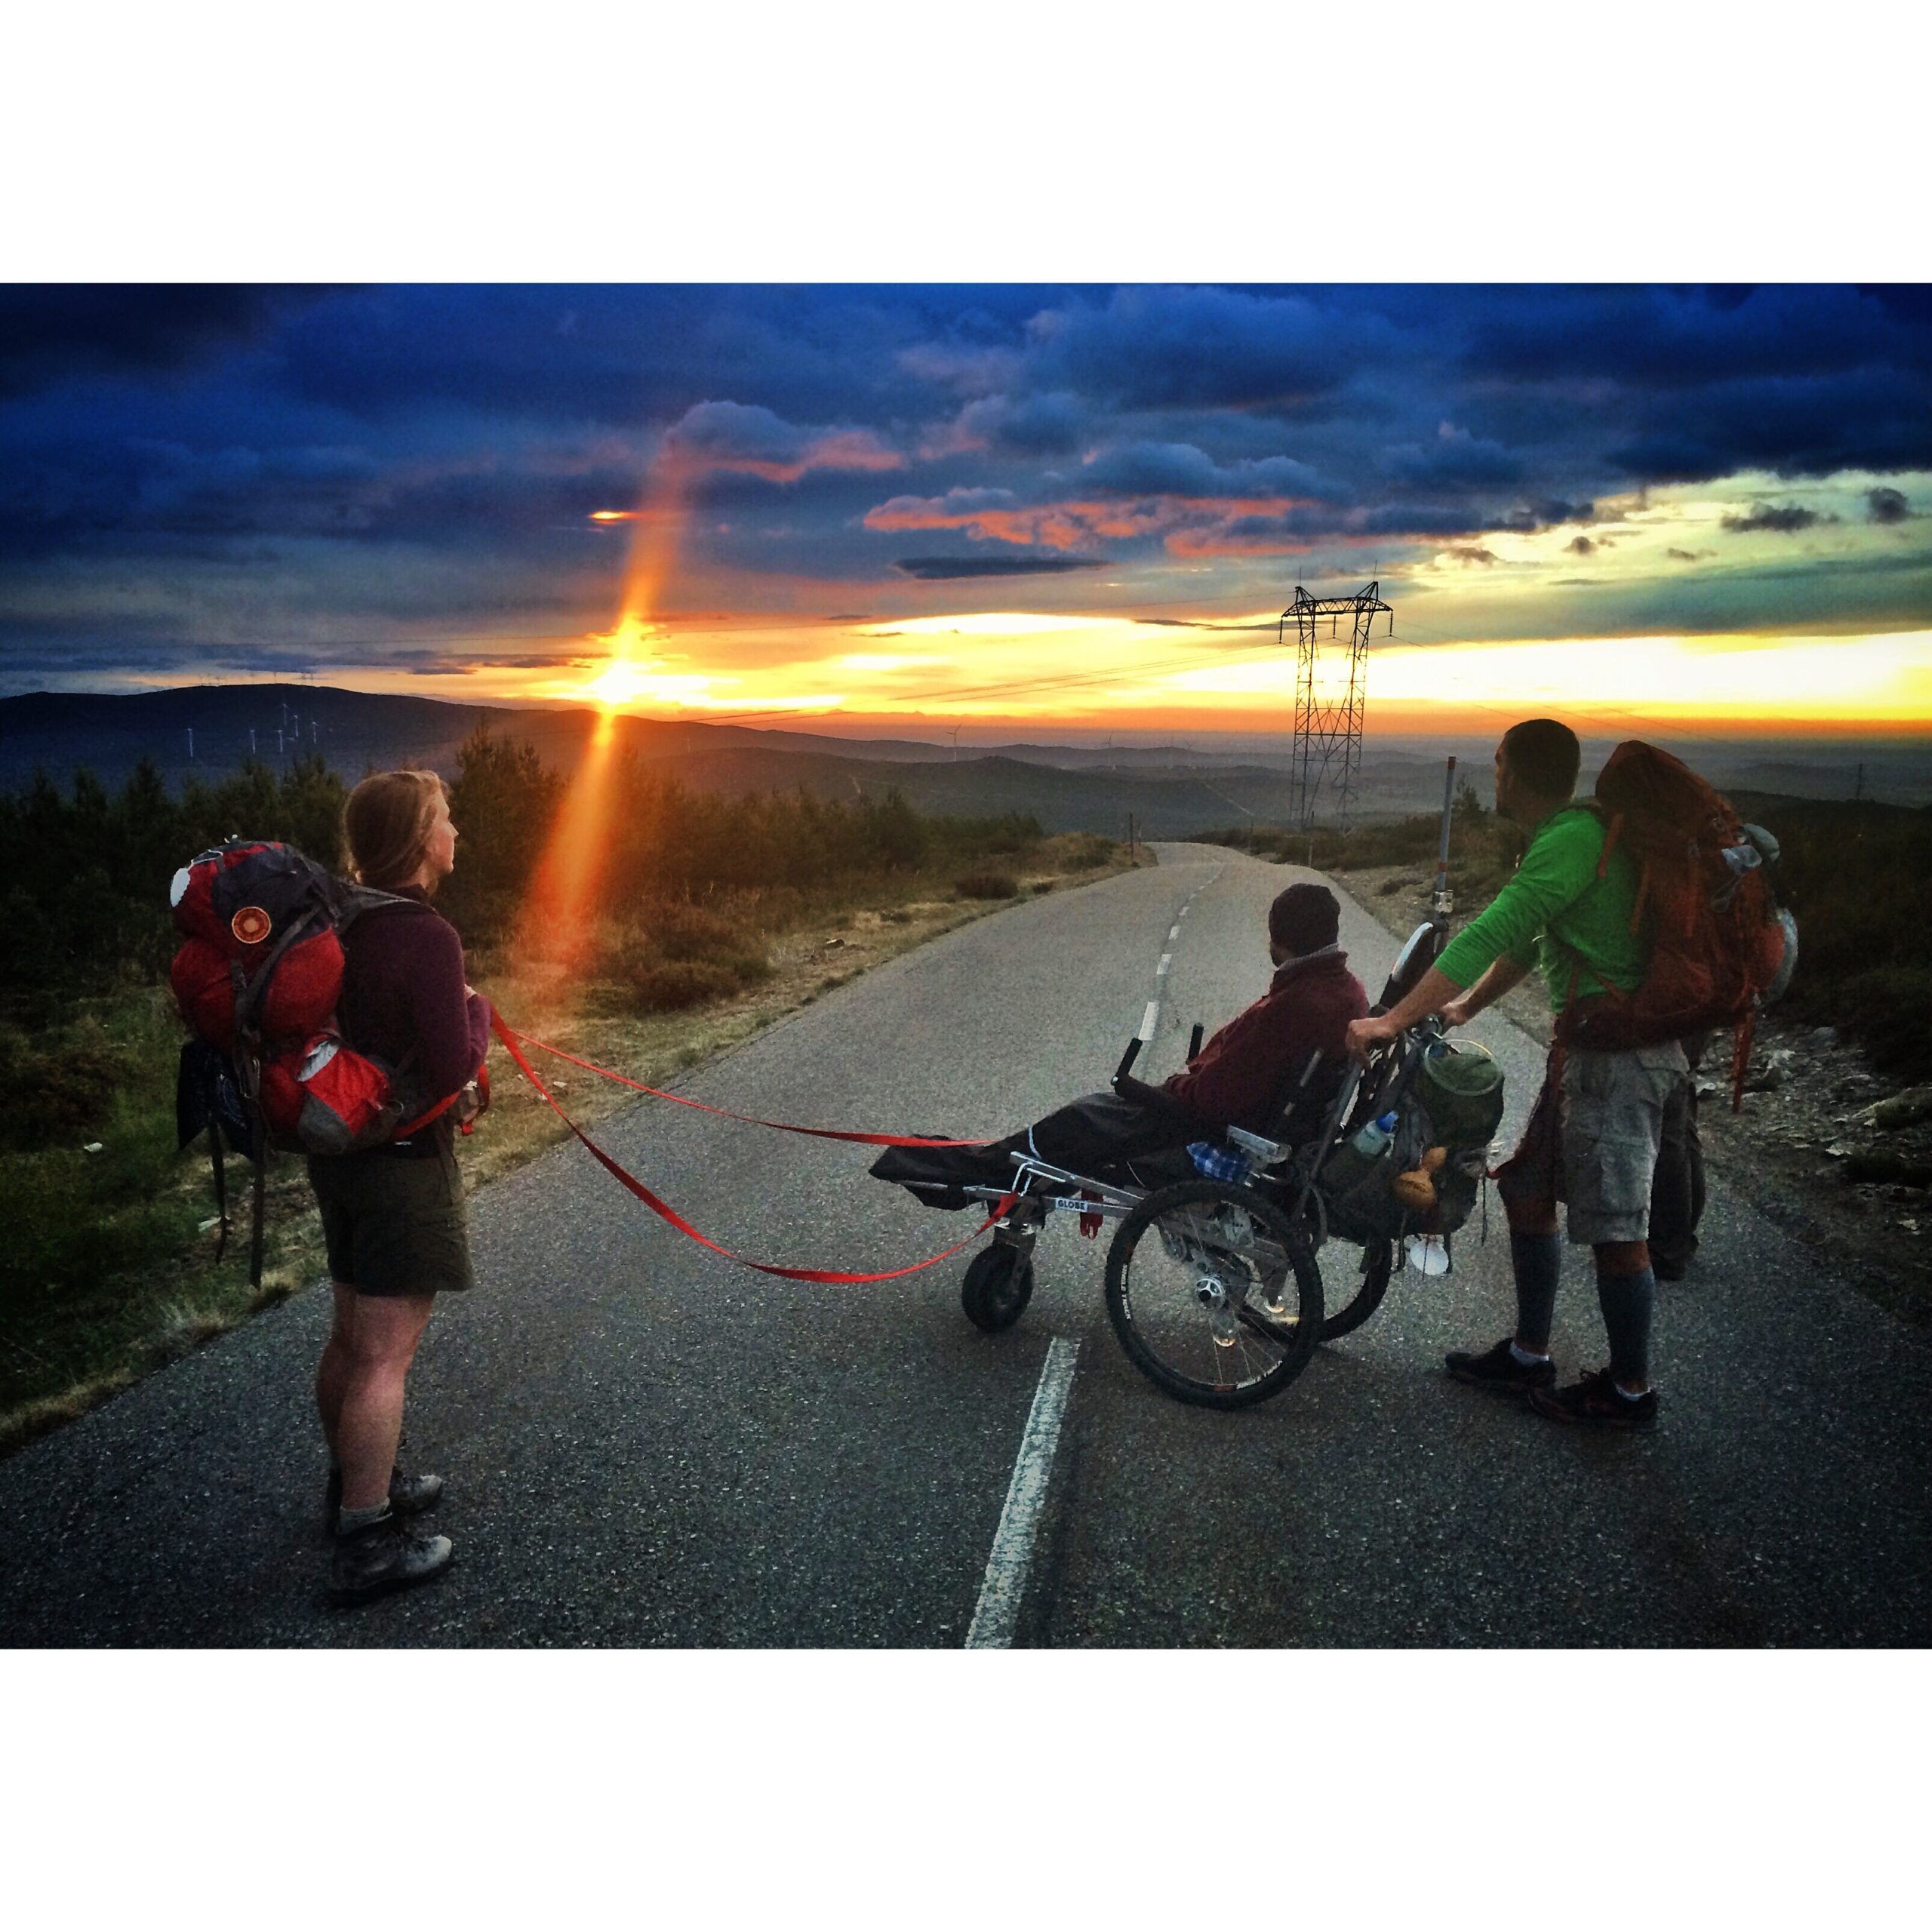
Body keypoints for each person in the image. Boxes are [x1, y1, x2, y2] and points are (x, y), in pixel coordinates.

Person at [1346, 718, 1687, 1427]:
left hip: (1621, 1061)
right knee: (1528, 1192)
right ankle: (1530, 1354)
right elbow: (1535, 940)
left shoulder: (1570, 841)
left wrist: (1393, 1020)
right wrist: (1470, 1006)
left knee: (1619, 1229)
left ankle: (1630, 1394)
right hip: (1584, 1051)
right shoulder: (1568, 842)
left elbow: (1491, 931)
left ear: (1523, 775)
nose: (1492, 777)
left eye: (1499, 766)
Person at [872, 883, 1367, 1201]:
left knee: (1081, 1120)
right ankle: (966, 1161)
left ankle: (959, 1173)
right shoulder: (1344, 991)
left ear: (1278, 939)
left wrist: (1172, 1087)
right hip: (1261, 1121)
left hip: (1208, 1129)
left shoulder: (1296, 1004)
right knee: (1089, 1116)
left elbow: (1218, 1097)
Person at [309, 771, 491, 1604]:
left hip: (341, 1151)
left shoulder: (338, 915)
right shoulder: (426, 934)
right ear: (423, 838)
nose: (457, 830)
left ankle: (354, 1484)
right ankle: (367, 1537)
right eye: (447, 817)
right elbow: (453, 1067)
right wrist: (478, 1011)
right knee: (386, 1353)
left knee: (351, 1332)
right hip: (404, 1159)